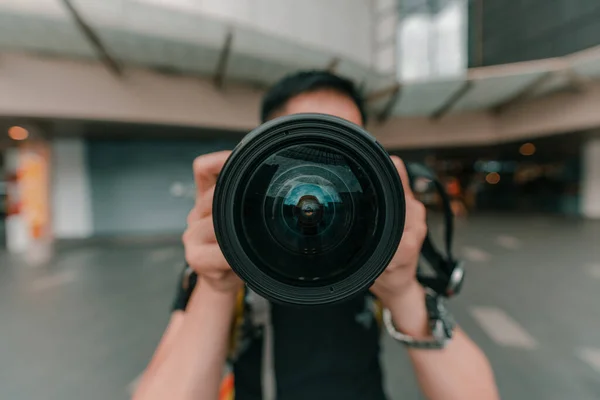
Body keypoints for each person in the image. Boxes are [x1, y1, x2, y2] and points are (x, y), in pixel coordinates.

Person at [133, 71, 500, 400]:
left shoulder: (376, 245)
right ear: (264, 147)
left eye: (342, 147)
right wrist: (217, 285)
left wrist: (403, 288)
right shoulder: (234, 244)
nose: (319, 172)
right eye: (305, 147)